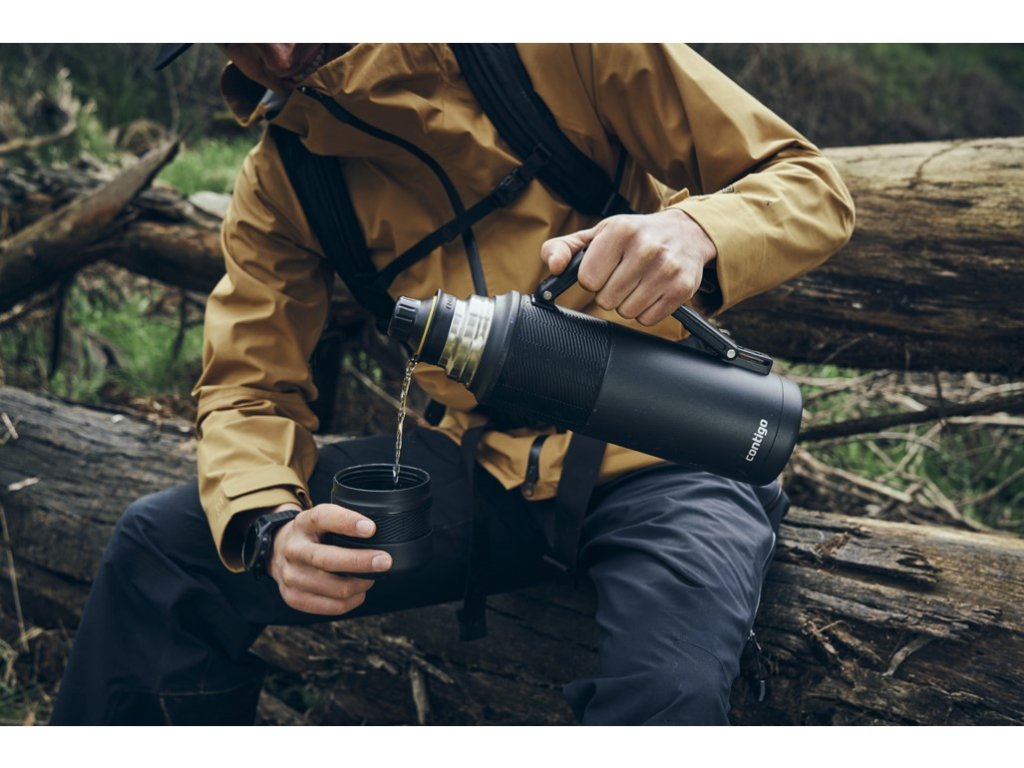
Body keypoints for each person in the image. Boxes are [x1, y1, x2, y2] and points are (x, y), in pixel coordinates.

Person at [50, 43, 854, 725]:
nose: (282, 52)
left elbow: (810, 186)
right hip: (476, 466)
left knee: (669, 697)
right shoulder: (284, 178)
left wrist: (696, 230)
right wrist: (267, 524)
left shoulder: (556, 45)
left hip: (669, 452)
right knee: (163, 550)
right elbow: (248, 387)